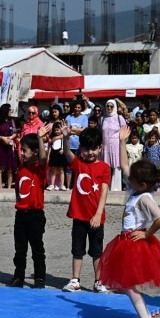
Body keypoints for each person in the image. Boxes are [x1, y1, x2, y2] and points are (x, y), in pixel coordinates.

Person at [98, 126, 160, 318]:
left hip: (134, 243)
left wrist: (146, 234)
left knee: (129, 285)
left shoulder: (145, 197)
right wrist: (122, 142)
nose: (127, 179)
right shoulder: (135, 190)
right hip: (125, 241)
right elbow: (124, 165)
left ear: (142, 183)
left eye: (131, 178)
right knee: (126, 284)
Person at [61, 126, 111, 293]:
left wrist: (98, 214)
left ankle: (99, 281)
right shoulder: (78, 163)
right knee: (77, 250)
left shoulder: (104, 167)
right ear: (81, 148)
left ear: (100, 148)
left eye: (94, 148)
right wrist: (66, 138)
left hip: (96, 218)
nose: (90, 152)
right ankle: (75, 280)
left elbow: (104, 192)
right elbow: (67, 154)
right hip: (79, 216)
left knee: (97, 252)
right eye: (86, 148)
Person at [10, 125, 50, 288]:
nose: (21, 153)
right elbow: (18, 190)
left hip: (35, 215)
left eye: (24, 150)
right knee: (20, 248)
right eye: (21, 149)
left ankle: (39, 277)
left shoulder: (39, 169)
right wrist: (19, 203)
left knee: (37, 248)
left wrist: (40, 138)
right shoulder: (21, 168)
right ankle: (18, 276)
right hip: (21, 214)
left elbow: (42, 157)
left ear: (34, 152)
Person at [100, 99, 126, 191]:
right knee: (106, 166)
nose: (109, 108)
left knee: (116, 165)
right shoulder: (103, 118)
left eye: (111, 106)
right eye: (107, 106)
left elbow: (124, 131)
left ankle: (116, 187)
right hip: (105, 145)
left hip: (116, 144)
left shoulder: (119, 118)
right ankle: (106, 186)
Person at [0, 103, 18, 189]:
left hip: (9, 146)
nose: (11, 111)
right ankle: (0, 187)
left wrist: (10, 137)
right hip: (0, 146)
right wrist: (2, 138)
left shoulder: (11, 121)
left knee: (10, 168)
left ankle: (9, 187)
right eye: (9, 110)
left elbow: (15, 132)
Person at [64, 100, 88, 189]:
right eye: (75, 107)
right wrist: (78, 130)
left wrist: (73, 130)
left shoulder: (84, 117)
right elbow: (67, 129)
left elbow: (84, 130)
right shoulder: (69, 117)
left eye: (79, 107)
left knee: (79, 166)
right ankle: (68, 186)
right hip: (69, 145)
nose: (77, 109)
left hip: (79, 145)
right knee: (69, 167)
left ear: (81, 108)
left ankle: (78, 185)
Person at [46, 122, 66, 191]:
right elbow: (50, 148)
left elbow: (65, 144)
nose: (56, 131)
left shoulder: (63, 137)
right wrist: (48, 156)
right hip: (53, 154)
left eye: (58, 130)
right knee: (53, 171)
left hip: (60, 154)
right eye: (55, 130)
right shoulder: (51, 138)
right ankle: (52, 184)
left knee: (61, 170)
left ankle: (62, 185)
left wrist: (63, 149)